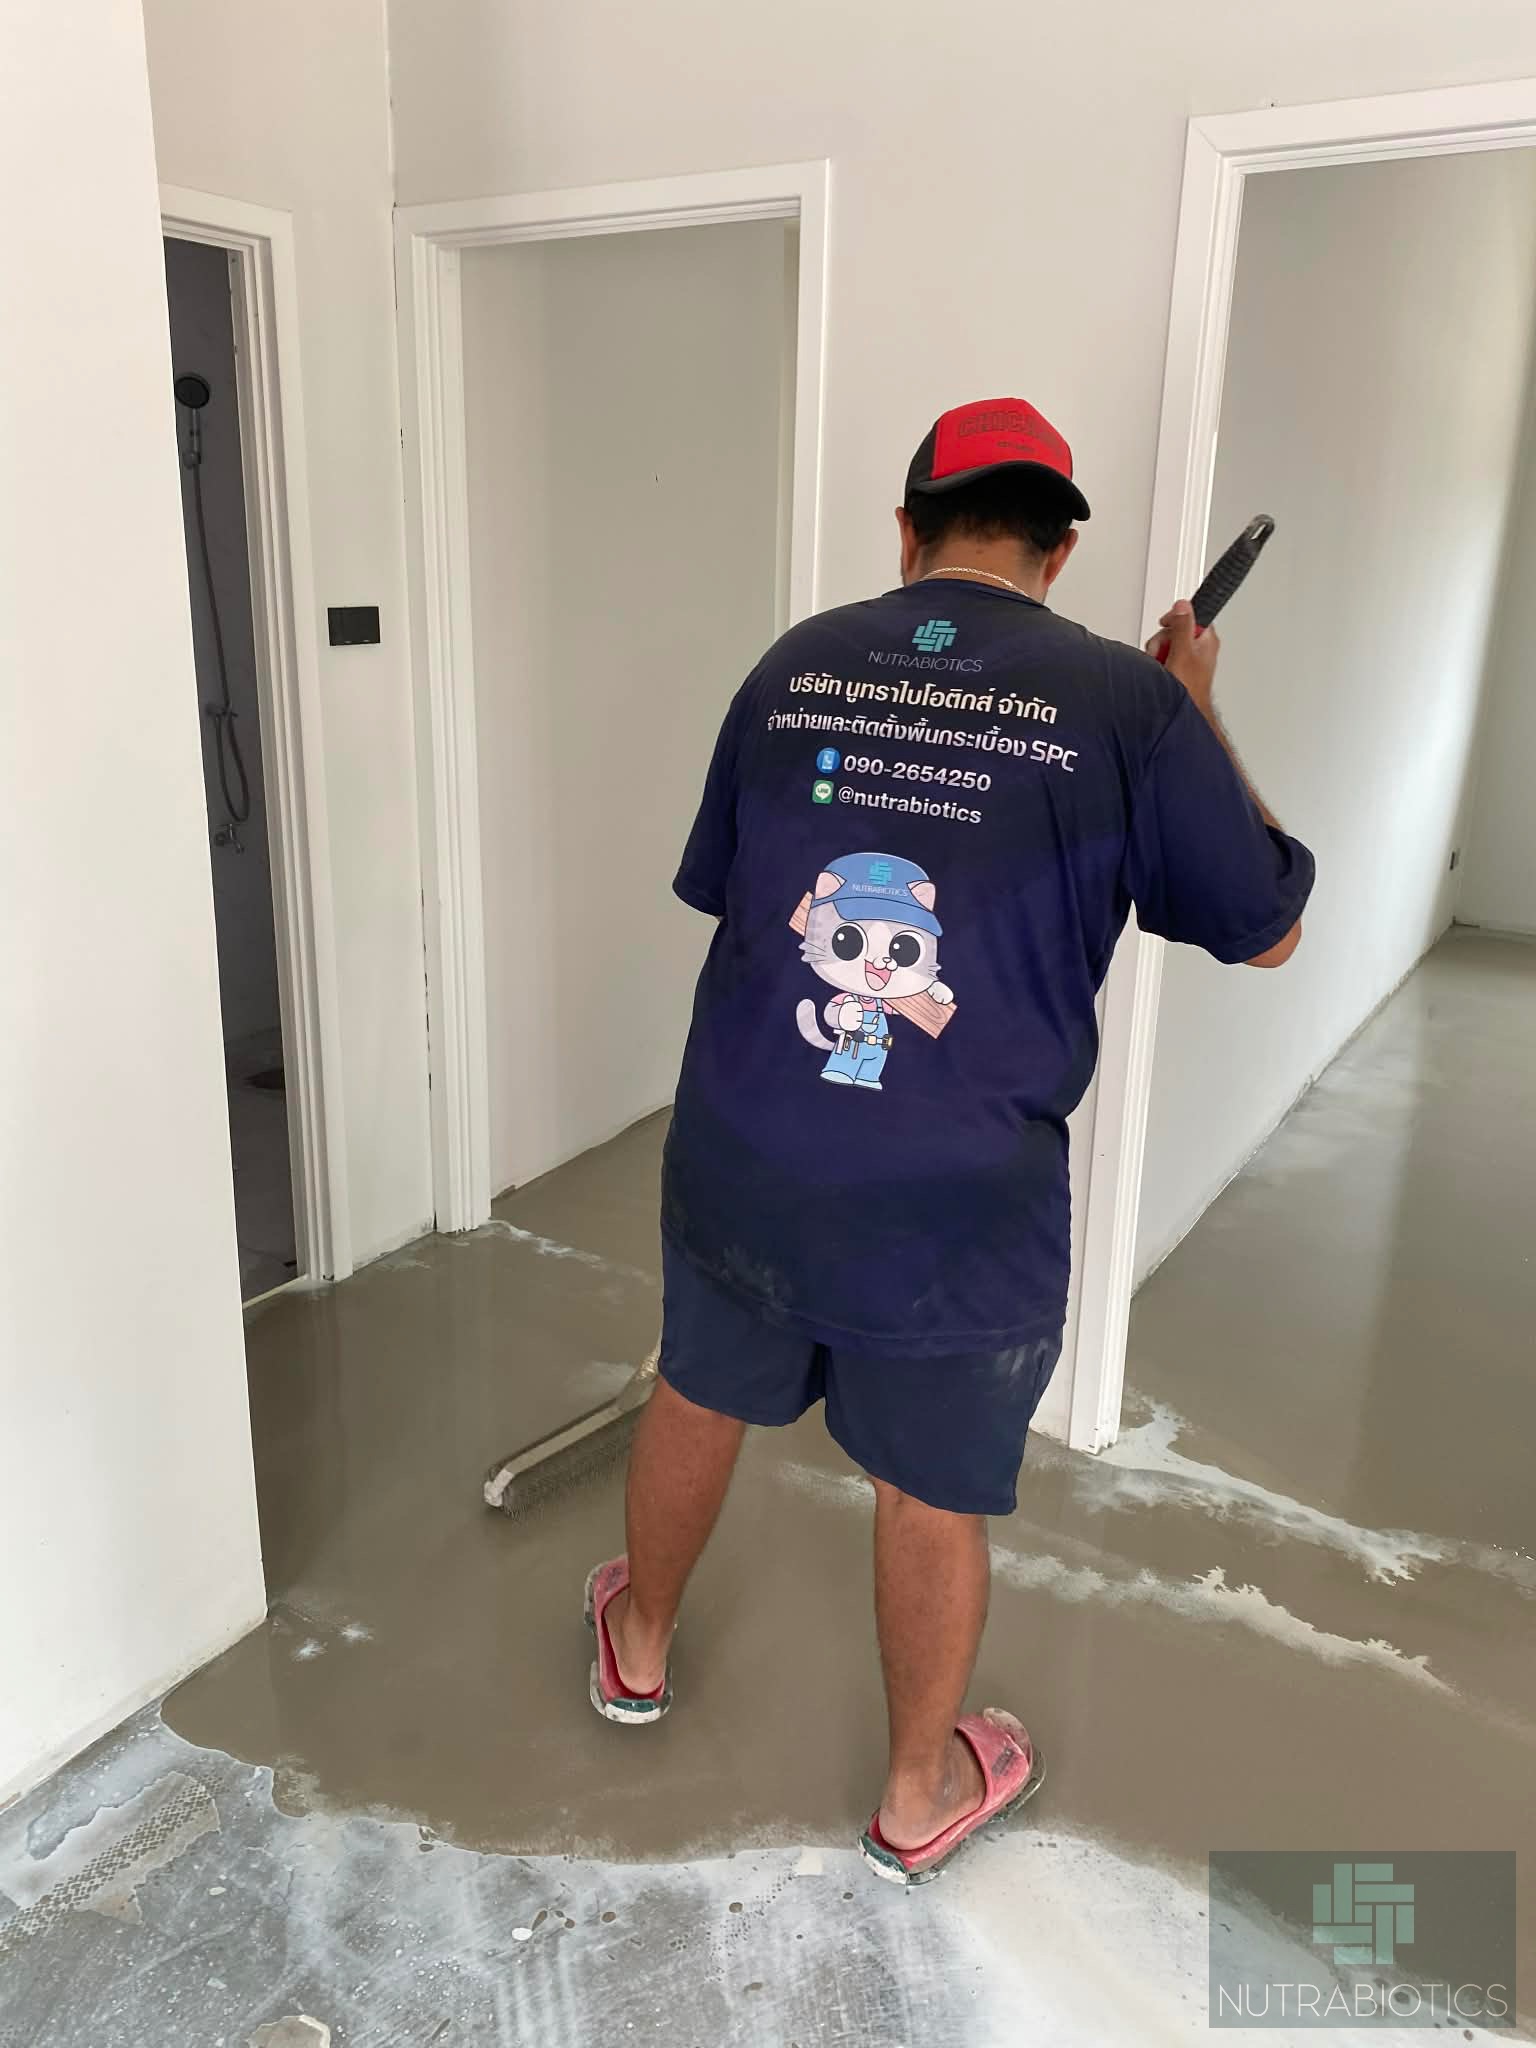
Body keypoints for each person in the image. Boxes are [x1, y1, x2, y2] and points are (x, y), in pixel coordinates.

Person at [582, 397, 1315, 1885]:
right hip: (953, 1196)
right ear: (1060, 551)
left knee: (699, 1386)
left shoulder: (795, 663)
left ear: (908, 530)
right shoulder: (1130, 705)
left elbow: (729, 889)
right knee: (926, 1483)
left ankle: (638, 1645)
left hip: (746, 1140)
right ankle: (915, 1801)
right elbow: (1270, 929)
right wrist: (1192, 702)